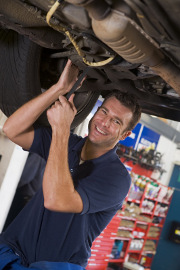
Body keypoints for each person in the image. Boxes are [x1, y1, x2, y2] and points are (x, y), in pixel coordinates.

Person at [0, 59, 141, 270]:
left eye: (116, 121)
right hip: (10, 252)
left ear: (125, 134)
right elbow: (12, 130)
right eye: (103, 112)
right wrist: (59, 88)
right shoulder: (69, 143)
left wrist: (62, 129)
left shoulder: (117, 178)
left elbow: (56, 200)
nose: (103, 123)